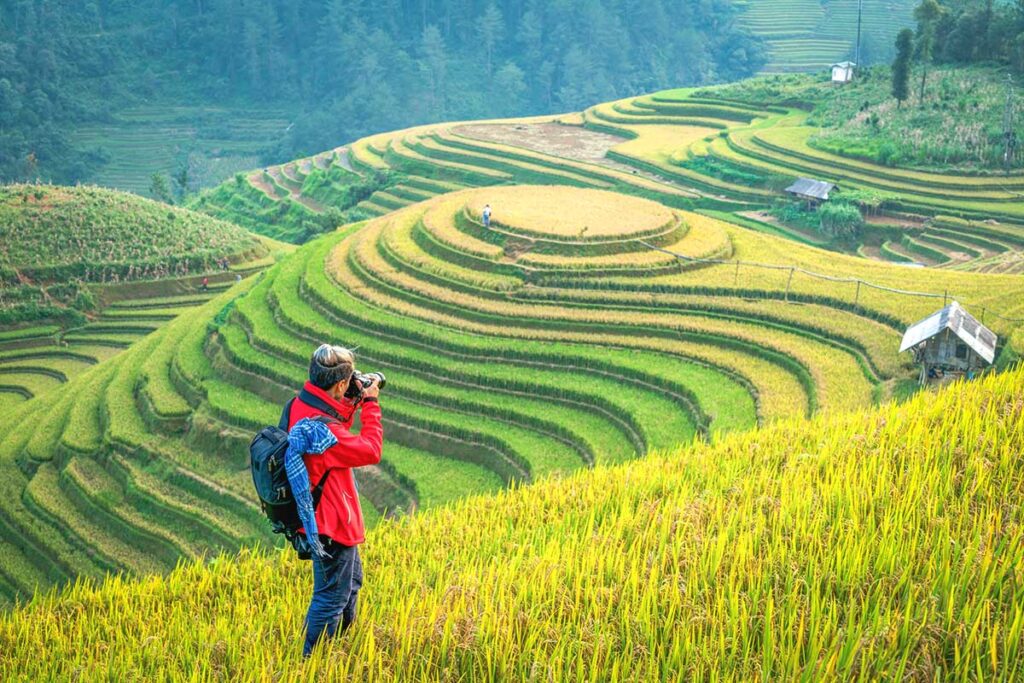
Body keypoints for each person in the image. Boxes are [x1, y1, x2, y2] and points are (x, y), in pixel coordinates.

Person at [290, 344, 383, 658]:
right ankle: (310, 662)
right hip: (330, 525)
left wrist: (351, 402)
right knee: (330, 597)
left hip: (318, 516)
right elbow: (370, 449)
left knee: (350, 583)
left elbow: (331, 424)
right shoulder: (323, 432)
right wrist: (369, 403)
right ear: (340, 384)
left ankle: (341, 649)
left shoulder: (298, 407)